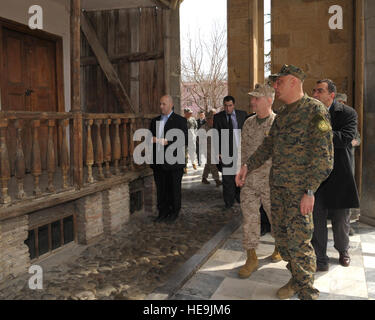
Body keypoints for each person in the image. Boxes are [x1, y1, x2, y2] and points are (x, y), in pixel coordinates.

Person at [236, 65, 333, 300]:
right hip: (277, 190)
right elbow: (268, 146)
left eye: (278, 83)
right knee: (283, 240)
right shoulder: (284, 114)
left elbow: (325, 156)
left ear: (292, 82)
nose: (275, 87)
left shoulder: (315, 111)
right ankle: (295, 278)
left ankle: (307, 292)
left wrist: (310, 190)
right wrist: (247, 165)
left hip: (299, 192)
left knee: (300, 243)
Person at [311, 79, 360, 271]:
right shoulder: (313, 115)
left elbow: (346, 138)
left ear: (331, 94)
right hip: (318, 177)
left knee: (341, 220)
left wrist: (322, 132)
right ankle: (320, 258)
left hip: (340, 176)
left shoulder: (348, 113)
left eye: (319, 91)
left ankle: (343, 250)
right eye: (314, 91)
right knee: (317, 219)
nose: (315, 94)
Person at [235, 83, 281, 279]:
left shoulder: (279, 123)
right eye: (252, 98)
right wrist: (241, 172)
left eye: (257, 98)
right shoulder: (248, 123)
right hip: (250, 180)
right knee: (250, 219)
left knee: (275, 218)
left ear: (269, 100)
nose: (252, 102)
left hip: (271, 181)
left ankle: (279, 246)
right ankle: (251, 257)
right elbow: (244, 151)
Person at [150, 95, 188, 223]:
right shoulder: (154, 121)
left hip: (174, 162)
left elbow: (184, 139)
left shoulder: (180, 120)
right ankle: (162, 212)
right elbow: (151, 139)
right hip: (158, 162)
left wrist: (165, 141)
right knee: (161, 189)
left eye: (164, 104)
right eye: (160, 104)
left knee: (174, 189)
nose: (161, 106)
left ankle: (174, 212)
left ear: (171, 104)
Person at [213, 96, 247, 211]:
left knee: (240, 176)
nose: (228, 108)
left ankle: (239, 198)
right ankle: (228, 203)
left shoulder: (242, 115)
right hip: (226, 152)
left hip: (241, 151)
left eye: (230, 105)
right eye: (226, 106)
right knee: (227, 179)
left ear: (234, 105)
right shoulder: (218, 117)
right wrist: (218, 152)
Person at [201, 111, 222, 187]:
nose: (213, 121)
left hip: (214, 147)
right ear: (207, 119)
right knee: (212, 164)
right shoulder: (203, 128)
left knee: (208, 163)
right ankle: (217, 180)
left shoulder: (215, 126)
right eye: (211, 119)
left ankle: (204, 177)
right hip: (207, 148)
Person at [184, 108, 198, 173]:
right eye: (189, 113)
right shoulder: (182, 120)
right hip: (185, 140)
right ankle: (185, 166)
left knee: (193, 152)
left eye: (191, 113)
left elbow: (195, 127)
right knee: (185, 153)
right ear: (185, 113)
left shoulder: (193, 119)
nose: (191, 114)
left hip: (192, 138)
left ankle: (193, 163)